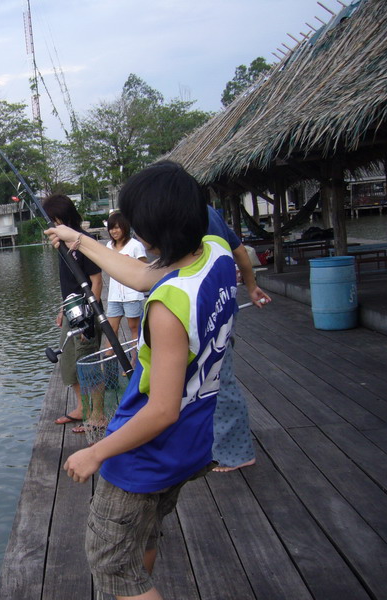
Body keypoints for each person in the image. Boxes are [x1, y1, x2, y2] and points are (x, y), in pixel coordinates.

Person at [45, 161, 238, 600]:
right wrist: (80, 241)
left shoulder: (167, 308)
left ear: (151, 233)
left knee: (112, 565)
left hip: (143, 454)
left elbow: (162, 408)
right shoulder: (215, 254)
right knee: (143, 538)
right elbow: (148, 275)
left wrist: (97, 452)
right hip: (190, 444)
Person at [206, 206, 271, 472]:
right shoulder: (209, 212)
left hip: (213, 310)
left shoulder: (195, 215)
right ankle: (215, 446)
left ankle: (237, 453)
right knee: (213, 381)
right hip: (219, 307)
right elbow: (240, 251)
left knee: (220, 382)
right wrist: (252, 286)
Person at [43, 194, 102, 433]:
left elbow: (97, 281)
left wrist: (90, 316)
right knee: (68, 362)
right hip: (70, 310)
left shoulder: (82, 241)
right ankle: (82, 408)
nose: (50, 224)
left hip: (86, 313)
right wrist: (62, 309)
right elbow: (68, 282)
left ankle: (97, 415)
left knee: (87, 362)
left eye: (52, 219)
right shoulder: (62, 243)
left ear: (61, 217)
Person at [104, 211, 147, 345]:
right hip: (114, 295)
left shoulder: (135, 246)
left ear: (125, 227)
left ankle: (135, 361)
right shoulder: (108, 247)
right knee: (111, 328)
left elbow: (144, 268)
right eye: (111, 228)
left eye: (117, 227)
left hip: (132, 295)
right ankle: (110, 361)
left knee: (133, 327)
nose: (114, 231)